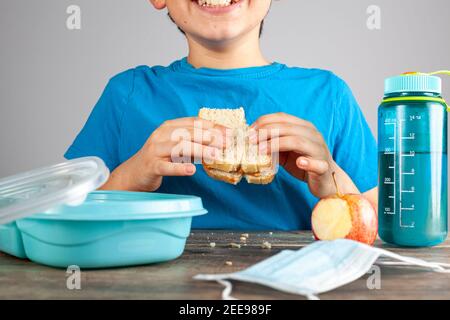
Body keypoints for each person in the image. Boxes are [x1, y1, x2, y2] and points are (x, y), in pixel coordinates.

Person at [65, 0, 378, 231]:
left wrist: (332, 181)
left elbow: (383, 230)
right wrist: (131, 175)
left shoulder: (328, 94)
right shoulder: (127, 94)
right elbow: (62, 220)